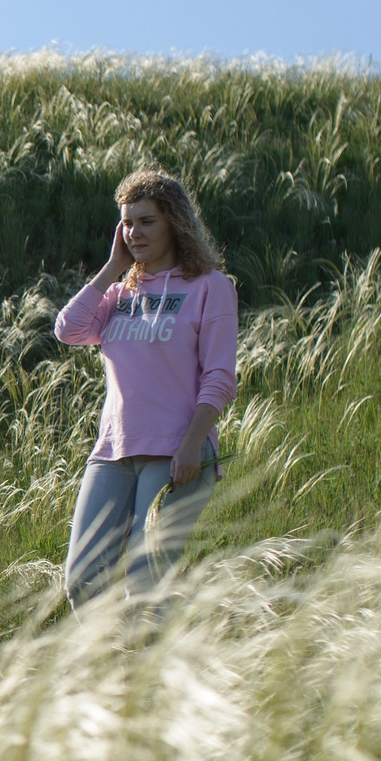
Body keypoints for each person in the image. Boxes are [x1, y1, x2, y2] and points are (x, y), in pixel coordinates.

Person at [53, 171, 239, 606]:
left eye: (147, 221)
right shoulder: (120, 293)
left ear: (174, 222)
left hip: (177, 453)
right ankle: (116, 668)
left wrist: (193, 445)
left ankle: (151, 670)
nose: (134, 232)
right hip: (113, 452)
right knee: (82, 581)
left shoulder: (210, 287)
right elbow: (68, 329)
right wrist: (115, 266)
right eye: (127, 223)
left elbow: (219, 377)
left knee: (146, 584)